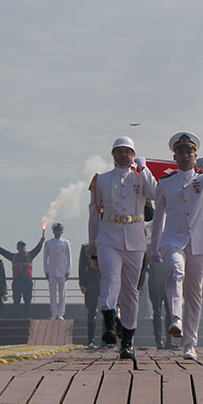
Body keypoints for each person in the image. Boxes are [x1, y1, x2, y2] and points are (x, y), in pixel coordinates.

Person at [149, 131, 203, 360]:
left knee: (194, 292)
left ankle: (190, 344)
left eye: (189, 151)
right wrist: (154, 246)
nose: (185, 155)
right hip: (173, 238)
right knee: (175, 271)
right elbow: (158, 216)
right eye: (180, 151)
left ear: (195, 154)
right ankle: (176, 319)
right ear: (174, 156)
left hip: (200, 241)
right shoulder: (165, 183)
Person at [88, 136, 158, 362]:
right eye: (119, 152)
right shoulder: (101, 180)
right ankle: (109, 322)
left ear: (133, 155)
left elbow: (156, 195)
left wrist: (145, 168)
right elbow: (93, 214)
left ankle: (127, 341)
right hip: (108, 236)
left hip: (135, 238)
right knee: (110, 278)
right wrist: (93, 245)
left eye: (128, 152)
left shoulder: (141, 177)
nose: (124, 155)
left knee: (131, 291)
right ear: (113, 154)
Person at [0, 232, 45, 318]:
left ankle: (27, 317)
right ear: (17, 248)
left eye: (23, 246)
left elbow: (37, 249)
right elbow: (4, 253)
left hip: (27, 281)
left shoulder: (30, 255)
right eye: (20, 246)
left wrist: (41, 242)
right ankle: (16, 318)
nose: (22, 248)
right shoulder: (13, 257)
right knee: (16, 301)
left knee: (27, 301)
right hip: (17, 281)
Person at [44, 222, 72, 319]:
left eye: (59, 230)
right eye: (56, 230)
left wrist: (68, 270)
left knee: (62, 293)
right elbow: (45, 259)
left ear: (62, 232)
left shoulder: (65, 243)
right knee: (52, 293)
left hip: (62, 271)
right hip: (52, 271)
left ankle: (61, 313)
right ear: (53, 231)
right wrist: (46, 271)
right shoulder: (48, 243)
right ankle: (54, 313)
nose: (58, 232)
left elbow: (69, 258)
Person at [77, 242, 101, 348]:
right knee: (92, 312)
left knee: (108, 311)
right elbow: (82, 266)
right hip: (91, 281)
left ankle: (107, 341)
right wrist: (82, 283)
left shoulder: (109, 245)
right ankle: (90, 340)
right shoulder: (86, 247)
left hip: (105, 280)